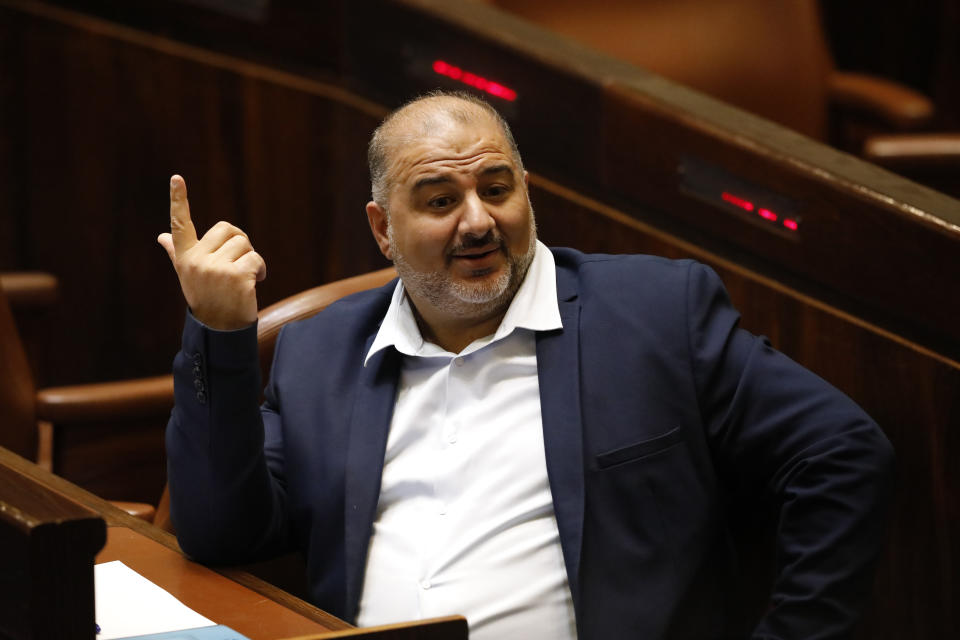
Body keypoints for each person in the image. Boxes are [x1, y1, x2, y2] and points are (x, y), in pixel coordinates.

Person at [159, 91, 894, 639]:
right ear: (383, 230)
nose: (477, 221)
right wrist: (219, 336)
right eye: (441, 199)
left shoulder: (655, 313)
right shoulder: (322, 353)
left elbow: (843, 452)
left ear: (526, 191)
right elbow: (222, 534)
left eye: (496, 188)